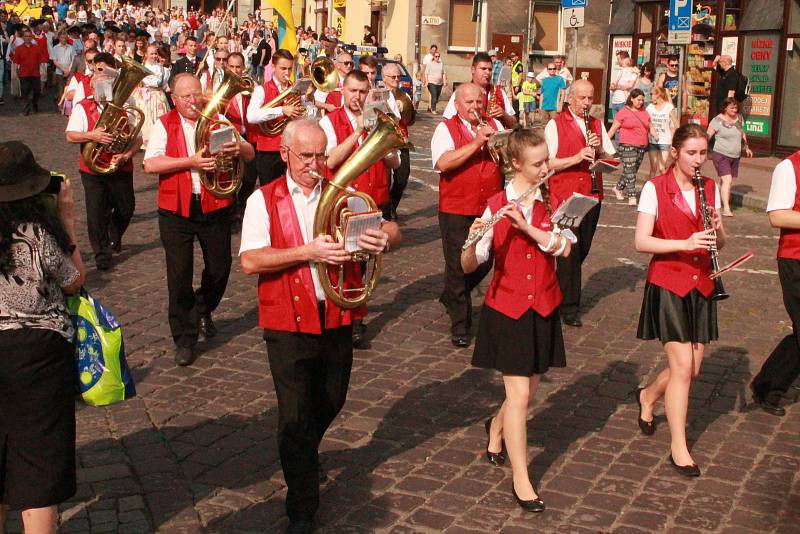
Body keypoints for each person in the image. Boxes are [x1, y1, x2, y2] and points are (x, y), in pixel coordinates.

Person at [239, 118, 400, 534]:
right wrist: (306, 251)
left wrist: (384, 237)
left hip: (336, 315)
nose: (315, 164)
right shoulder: (263, 199)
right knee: (294, 415)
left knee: (332, 398)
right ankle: (302, 507)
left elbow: (390, 227)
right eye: (306, 155)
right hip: (285, 321)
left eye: (321, 154)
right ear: (285, 154)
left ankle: (304, 453)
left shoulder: (344, 194)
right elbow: (250, 261)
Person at [462, 129, 570, 514]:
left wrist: (531, 229)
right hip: (507, 310)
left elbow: (565, 246)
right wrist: (475, 240)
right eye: (539, 163)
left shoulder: (554, 199)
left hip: (543, 305)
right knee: (521, 398)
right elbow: (468, 265)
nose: (546, 167)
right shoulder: (496, 204)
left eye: (547, 160)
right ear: (517, 165)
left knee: (526, 395)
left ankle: (495, 427)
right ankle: (522, 478)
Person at [0, 141, 86, 534]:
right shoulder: (35, 233)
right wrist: (67, 220)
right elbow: (73, 281)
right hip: (38, 356)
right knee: (37, 468)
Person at [142, 73, 255, 366]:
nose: (194, 101)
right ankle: (185, 339)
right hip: (176, 209)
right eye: (186, 97)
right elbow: (151, 163)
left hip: (214, 204)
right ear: (174, 99)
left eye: (197, 95)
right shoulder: (164, 124)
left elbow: (250, 152)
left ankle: (202, 307)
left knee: (220, 268)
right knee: (178, 276)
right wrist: (190, 162)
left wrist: (237, 148)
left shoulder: (217, 119)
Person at [634, 124, 726, 477]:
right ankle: (679, 446)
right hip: (669, 283)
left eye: (703, 153)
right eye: (691, 153)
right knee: (683, 368)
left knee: (690, 369)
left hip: (702, 284)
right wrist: (683, 243)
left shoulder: (710, 187)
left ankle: (648, 396)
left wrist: (718, 229)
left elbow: (720, 244)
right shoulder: (655, 188)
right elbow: (642, 242)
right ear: (675, 152)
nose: (698, 160)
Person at [320, 70, 401, 347]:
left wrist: (383, 139)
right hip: (345, 200)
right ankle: (349, 314)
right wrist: (357, 132)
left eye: (362, 92)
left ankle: (356, 313)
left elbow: (395, 164)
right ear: (343, 90)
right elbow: (330, 162)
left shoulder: (380, 120)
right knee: (345, 258)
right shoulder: (330, 122)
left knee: (365, 260)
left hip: (374, 198)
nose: (357, 97)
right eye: (353, 91)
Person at [432, 82, 504, 347]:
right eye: (470, 102)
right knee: (457, 263)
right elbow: (442, 163)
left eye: (479, 102)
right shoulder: (445, 128)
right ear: (458, 104)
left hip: (489, 206)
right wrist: (476, 143)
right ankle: (460, 325)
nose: (475, 107)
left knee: (485, 259)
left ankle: (453, 293)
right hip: (456, 206)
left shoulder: (493, 126)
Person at [544, 79, 616, 327]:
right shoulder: (555, 125)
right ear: (570, 98)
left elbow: (610, 158)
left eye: (590, 98)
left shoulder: (596, 124)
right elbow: (548, 163)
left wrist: (600, 153)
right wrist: (576, 157)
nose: (587, 103)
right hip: (566, 196)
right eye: (582, 98)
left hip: (593, 196)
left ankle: (554, 290)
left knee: (582, 249)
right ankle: (569, 308)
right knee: (569, 253)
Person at [65, 52, 140, 272]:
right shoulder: (83, 107)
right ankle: (101, 254)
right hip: (92, 169)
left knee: (127, 208)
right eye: (98, 86)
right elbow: (70, 136)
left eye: (107, 84)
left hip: (120, 165)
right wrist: (93, 135)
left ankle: (114, 235)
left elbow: (138, 138)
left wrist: (127, 154)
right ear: (92, 88)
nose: (102, 90)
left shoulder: (128, 103)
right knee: (96, 212)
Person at [750, 150, 800, 417]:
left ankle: (768, 385)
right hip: (795, 259)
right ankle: (768, 386)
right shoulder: (788, 167)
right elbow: (777, 216)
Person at [247, 49, 302, 187]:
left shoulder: (295, 88)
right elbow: (251, 116)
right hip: (268, 152)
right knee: (269, 192)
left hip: (291, 148)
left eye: (290, 69)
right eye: (283, 68)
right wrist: (281, 110)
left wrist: (306, 102)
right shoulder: (261, 90)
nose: (287, 73)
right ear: (273, 67)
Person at [443, 52, 516, 128]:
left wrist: (504, 115)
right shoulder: (461, 92)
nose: (487, 72)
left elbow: (514, 124)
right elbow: (447, 123)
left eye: (490, 69)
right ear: (473, 70)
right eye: (483, 69)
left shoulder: (500, 92)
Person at [608, 88, 655, 205]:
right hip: (626, 145)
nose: (641, 102)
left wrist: (655, 135)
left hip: (641, 146)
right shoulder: (623, 112)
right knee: (630, 170)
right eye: (638, 100)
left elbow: (650, 126)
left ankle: (618, 188)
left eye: (642, 100)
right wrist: (605, 143)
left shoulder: (645, 112)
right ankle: (632, 196)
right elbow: (613, 129)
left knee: (632, 170)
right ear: (632, 99)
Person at [707, 97, 752, 217]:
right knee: (728, 180)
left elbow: (742, 134)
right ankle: (726, 208)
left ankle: (715, 199)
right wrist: (701, 148)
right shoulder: (717, 120)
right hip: (720, 154)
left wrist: (746, 147)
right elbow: (708, 135)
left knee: (724, 180)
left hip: (735, 155)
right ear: (725, 107)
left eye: (736, 107)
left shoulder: (740, 118)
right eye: (732, 107)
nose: (734, 109)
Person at [382, 62, 413, 218]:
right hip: (384, 143)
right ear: (384, 78)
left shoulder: (403, 95)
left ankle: (392, 205)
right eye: (392, 77)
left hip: (401, 141)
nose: (396, 79)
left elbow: (411, 119)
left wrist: (405, 107)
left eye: (398, 77)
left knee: (402, 177)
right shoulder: (378, 94)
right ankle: (385, 211)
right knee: (384, 180)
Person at [135, 43, 171, 149]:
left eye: (155, 54)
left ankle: (159, 143)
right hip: (146, 97)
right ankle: (144, 142)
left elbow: (164, 85)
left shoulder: (163, 69)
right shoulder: (142, 68)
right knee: (146, 120)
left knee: (160, 121)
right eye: (151, 54)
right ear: (146, 54)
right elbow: (149, 83)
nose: (154, 56)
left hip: (159, 97)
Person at [12, 28, 48, 115]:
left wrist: (43, 72)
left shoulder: (37, 48)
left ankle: (34, 103)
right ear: (23, 38)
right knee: (25, 92)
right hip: (23, 74)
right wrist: (14, 74)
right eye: (26, 36)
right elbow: (15, 63)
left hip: (35, 74)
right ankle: (26, 110)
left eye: (29, 36)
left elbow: (42, 61)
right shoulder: (19, 49)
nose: (27, 38)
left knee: (37, 91)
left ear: (31, 37)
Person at [647, 86, 679, 179]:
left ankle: (664, 188)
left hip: (665, 140)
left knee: (662, 168)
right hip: (652, 140)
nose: (651, 96)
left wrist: (674, 136)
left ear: (658, 95)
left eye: (652, 94)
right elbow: (646, 122)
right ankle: (650, 190)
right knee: (653, 168)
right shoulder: (650, 107)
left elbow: (676, 124)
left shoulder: (668, 107)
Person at [609, 56, 638, 122]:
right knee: (615, 123)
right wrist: (615, 87)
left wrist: (616, 86)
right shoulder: (623, 71)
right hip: (615, 100)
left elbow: (629, 86)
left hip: (622, 101)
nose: (621, 63)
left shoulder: (632, 73)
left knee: (623, 122)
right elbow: (613, 84)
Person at [50, 29, 76, 106]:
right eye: (62, 37)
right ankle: (61, 105)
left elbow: (73, 60)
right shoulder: (55, 48)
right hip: (59, 72)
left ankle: (67, 106)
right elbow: (55, 61)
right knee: (60, 90)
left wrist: (68, 70)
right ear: (59, 38)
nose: (63, 39)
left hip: (69, 71)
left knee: (69, 89)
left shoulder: (71, 48)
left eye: (65, 38)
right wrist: (63, 69)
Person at [423, 49, 445, 114]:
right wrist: (427, 81)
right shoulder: (430, 64)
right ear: (433, 57)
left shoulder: (441, 64)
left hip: (439, 83)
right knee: (434, 95)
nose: (437, 57)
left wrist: (445, 81)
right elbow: (426, 73)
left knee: (437, 97)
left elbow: (443, 73)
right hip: (431, 82)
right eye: (436, 56)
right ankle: (433, 109)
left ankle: (432, 106)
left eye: (438, 56)